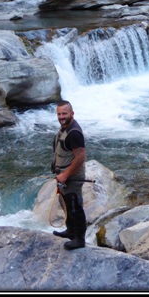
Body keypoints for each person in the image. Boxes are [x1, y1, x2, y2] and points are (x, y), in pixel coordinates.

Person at [51, 100, 87, 250]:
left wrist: (65, 175)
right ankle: (70, 231)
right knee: (65, 203)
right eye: (59, 114)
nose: (61, 116)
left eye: (64, 113)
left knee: (75, 207)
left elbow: (80, 156)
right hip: (64, 175)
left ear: (72, 114)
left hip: (72, 177)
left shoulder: (74, 133)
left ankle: (79, 240)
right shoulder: (65, 127)